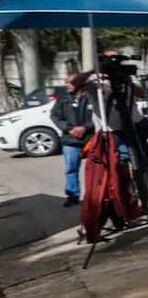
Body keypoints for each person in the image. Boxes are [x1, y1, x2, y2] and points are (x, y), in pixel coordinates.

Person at [50, 73, 94, 207]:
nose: (66, 85)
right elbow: (55, 116)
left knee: (95, 169)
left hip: (90, 138)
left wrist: (86, 127)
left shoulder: (92, 98)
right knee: (71, 168)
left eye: (69, 83)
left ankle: (96, 195)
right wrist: (69, 129)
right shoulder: (63, 99)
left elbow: (99, 116)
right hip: (71, 140)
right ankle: (73, 195)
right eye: (66, 82)